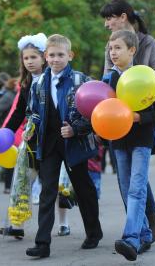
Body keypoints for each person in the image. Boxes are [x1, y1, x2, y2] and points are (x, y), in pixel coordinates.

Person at [25, 34, 102, 258]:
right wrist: (31, 129)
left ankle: (93, 233)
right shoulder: (38, 83)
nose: (56, 59)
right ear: (45, 57)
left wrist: (76, 129)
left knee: (83, 188)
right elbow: (33, 111)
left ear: (70, 55)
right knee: (48, 190)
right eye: (51, 55)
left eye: (60, 55)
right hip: (49, 143)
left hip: (73, 142)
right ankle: (42, 243)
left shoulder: (82, 80)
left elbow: (93, 113)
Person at [100, 0, 155, 242]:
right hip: (117, 129)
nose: (107, 24)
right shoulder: (112, 49)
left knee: (136, 183)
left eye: (110, 18)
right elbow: (106, 83)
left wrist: (143, 99)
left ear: (123, 16)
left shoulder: (148, 43)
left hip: (143, 120)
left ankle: (135, 233)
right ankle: (143, 230)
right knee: (128, 184)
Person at [0, 33, 47, 238]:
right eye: (26, 58)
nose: (29, 62)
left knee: (62, 187)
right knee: (22, 180)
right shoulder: (25, 84)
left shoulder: (52, 79)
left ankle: (66, 224)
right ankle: (17, 225)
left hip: (54, 139)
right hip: (31, 140)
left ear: (44, 57)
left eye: (33, 57)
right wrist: (6, 132)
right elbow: (18, 111)